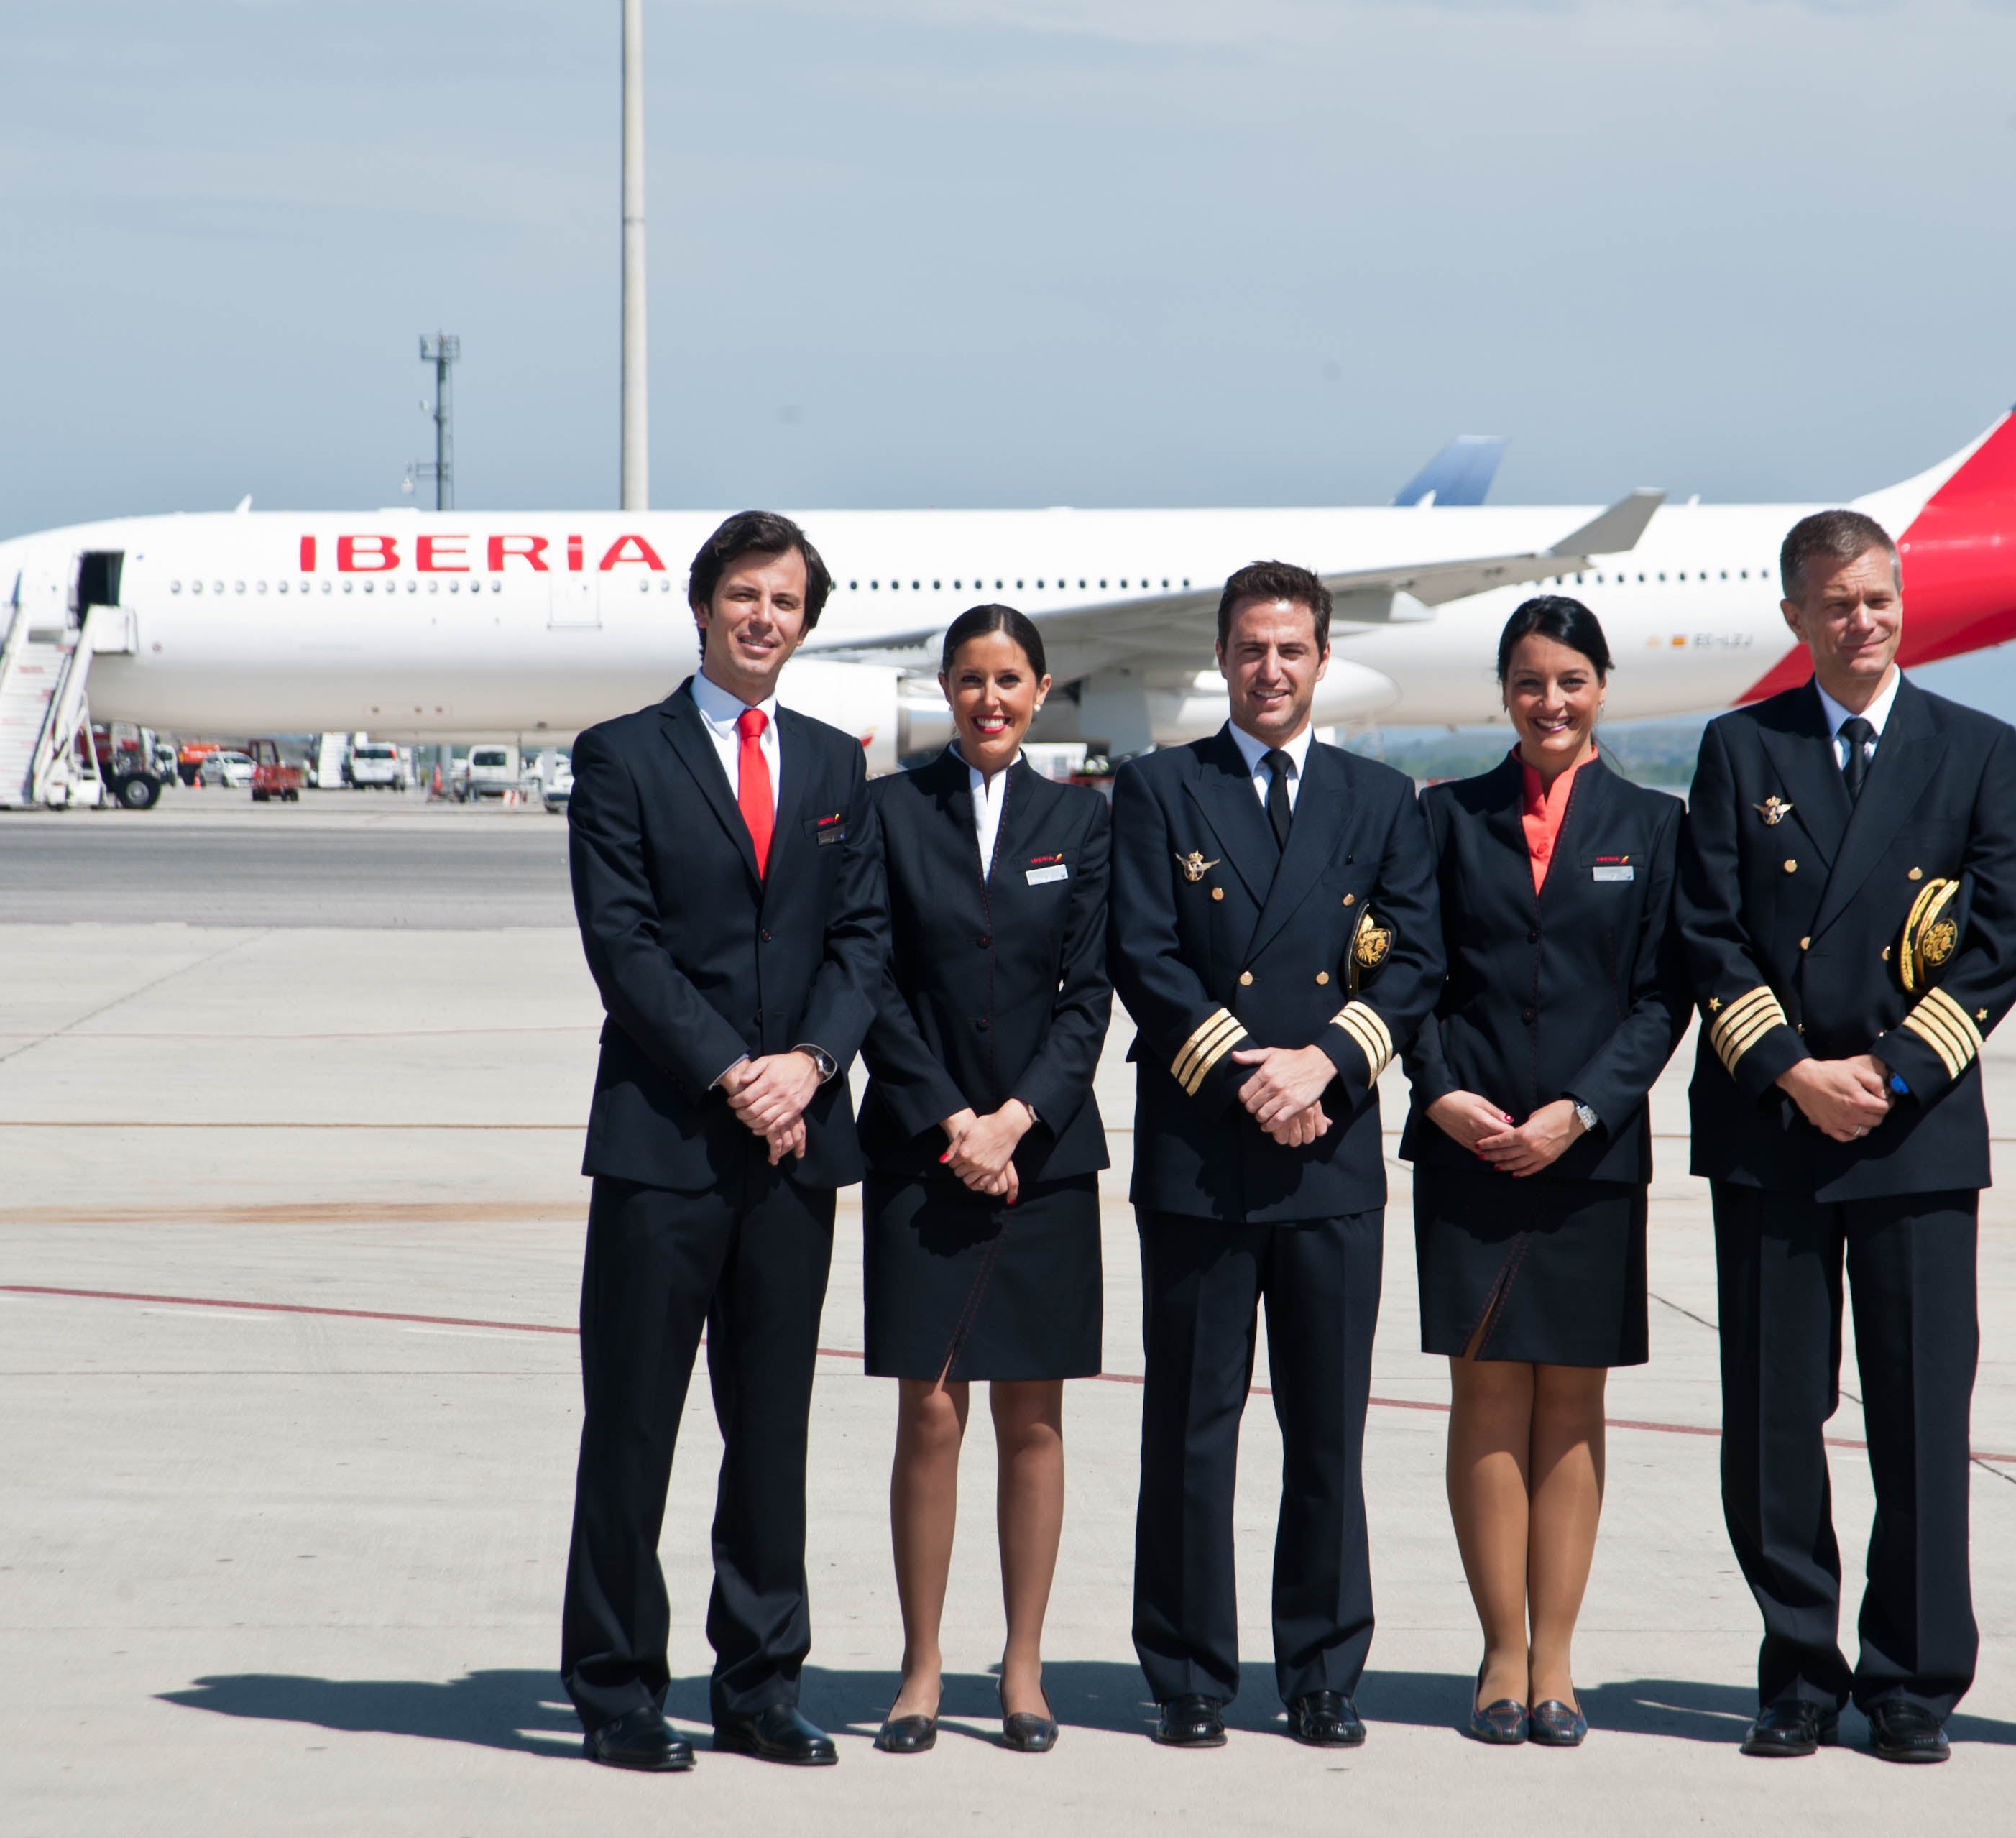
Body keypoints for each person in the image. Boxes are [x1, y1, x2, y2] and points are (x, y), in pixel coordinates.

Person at [1672, 508, 2016, 1764]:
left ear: (1904, 601)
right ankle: (1795, 1669)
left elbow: (2001, 941)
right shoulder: (1739, 748)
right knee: (1774, 1421)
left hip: (1911, 1132)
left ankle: (1910, 1681)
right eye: (1833, 604)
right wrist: (1791, 1069)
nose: (1859, 621)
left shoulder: (1975, 750)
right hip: (1774, 1129)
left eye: (1877, 599)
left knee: (1921, 1419)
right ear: (1793, 617)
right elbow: (1706, 930)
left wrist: (1884, 1075)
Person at [556, 510, 888, 1774]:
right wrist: (731, 1069)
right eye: (743, 595)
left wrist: (809, 1063)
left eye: (786, 601)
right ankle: (618, 1689)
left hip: (794, 1149)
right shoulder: (623, 756)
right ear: (701, 610)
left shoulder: (830, 764)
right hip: (663, 1144)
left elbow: (862, 941)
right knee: (632, 1429)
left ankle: (757, 1684)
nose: (763, 618)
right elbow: (622, 945)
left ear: (806, 623)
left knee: (773, 1432)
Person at [1106, 560, 1442, 1751]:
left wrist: (1327, 1070)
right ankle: (1188, 1672)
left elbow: (1411, 965)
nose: (1270, 669)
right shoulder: (1156, 790)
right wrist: (1258, 1075)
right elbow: (1144, 956)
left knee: (1324, 1427)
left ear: (1321, 656)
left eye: (1291, 648)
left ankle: (1320, 1670)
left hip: (1329, 1158)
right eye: (1249, 648)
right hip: (1205, 1154)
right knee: (1190, 1428)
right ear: (1221, 656)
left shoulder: (1379, 797)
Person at [1402, 594, 1686, 1747]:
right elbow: (1408, 975)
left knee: (1569, 1401)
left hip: (1589, 1153)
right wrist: (1439, 1091)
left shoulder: (1653, 823)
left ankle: (1557, 1659)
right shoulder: (1443, 817)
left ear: (1601, 687)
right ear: (1503, 693)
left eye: (1570, 680)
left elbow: (1667, 995)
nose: (1549, 701)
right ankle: (1499, 1654)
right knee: (1484, 1392)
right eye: (1528, 681)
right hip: (1466, 1143)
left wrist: (1583, 1111)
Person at [857, 605, 1114, 1757]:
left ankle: (1020, 1666)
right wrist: (955, 1121)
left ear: (1041, 688)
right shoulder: (887, 811)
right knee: (929, 1409)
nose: (990, 700)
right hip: (924, 1145)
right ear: (945, 690)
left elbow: (1088, 994)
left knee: (1033, 1419)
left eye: (1010, 680)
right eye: (970, 680)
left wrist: (1014, 1122)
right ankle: (920, 1666)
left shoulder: (1080, 819)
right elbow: (873, 979)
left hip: (1043, 1153)